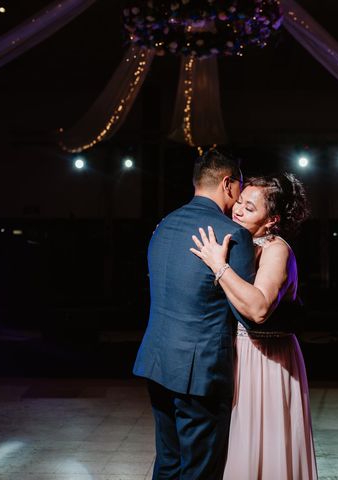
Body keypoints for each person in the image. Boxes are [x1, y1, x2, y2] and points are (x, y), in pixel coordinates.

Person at [133, 149, 256, 479]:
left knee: (169, 464)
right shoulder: (233, 235)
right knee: (201, 471)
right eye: (240, 188)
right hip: (201, 372)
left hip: (158, 363)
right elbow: (246, 313)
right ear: (228, 184)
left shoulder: (164, 225)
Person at [190, 173, 318, 480]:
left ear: (272, 219)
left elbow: (259, 308)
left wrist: (218, 265)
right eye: (240, 201)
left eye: (250, 207)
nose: (237, 209)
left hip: (266, 359)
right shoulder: (240, 241)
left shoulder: (277, 249)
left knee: (262, 441)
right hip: (237, 354)